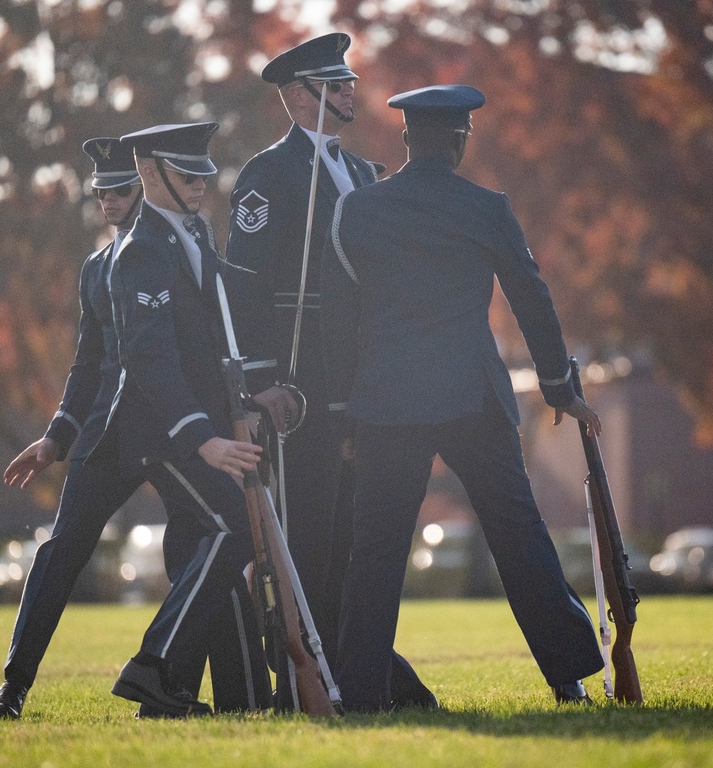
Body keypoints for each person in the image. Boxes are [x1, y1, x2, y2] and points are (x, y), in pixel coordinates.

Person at [321, 85, 606, 712]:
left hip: (386, 403)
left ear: (405, 138)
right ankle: (569, 677)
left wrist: (343, 409)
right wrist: (559, 386)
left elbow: (343, 320)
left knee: (375, 552)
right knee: (519, 537)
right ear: (457, 141)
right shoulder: (487, 209)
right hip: (470, 397)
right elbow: (533, 299)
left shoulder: (359, 211)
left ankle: (361, 693)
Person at [0, 135, 269, 721]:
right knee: (63, 553)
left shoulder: (190, 239)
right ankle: (14, 687)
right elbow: (93, 363)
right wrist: (58, 436)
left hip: (165, 431)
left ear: (143, 188)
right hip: (118, 435)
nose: (109, 201)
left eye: (120, 190)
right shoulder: (104, 265)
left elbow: (202, 341)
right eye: (102, 192)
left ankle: (201, 690)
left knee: (209, 538)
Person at [224, 32, 435, 710]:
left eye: (347, 81)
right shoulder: (268, 175)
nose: (349, 91)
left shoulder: (368, 173)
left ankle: (367, 675)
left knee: (357, 535)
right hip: (301, 385)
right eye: (333, 84)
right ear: (296, 96)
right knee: (311, 537)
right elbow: (245, 284)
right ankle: (309, 680)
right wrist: (260, 380)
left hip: (367, 381)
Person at [105, 122, 273, 718]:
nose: (201, 185)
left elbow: (227, 314)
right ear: (149, 174)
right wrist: (203, 439)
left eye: (205, 174)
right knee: (232, 527)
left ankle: (235, 695)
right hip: (167, 436)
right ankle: (154, 669)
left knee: (208, 546)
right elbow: (149, 359)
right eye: (186, 175)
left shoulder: (193, 232)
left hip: (207, 429)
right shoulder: (141, 249)